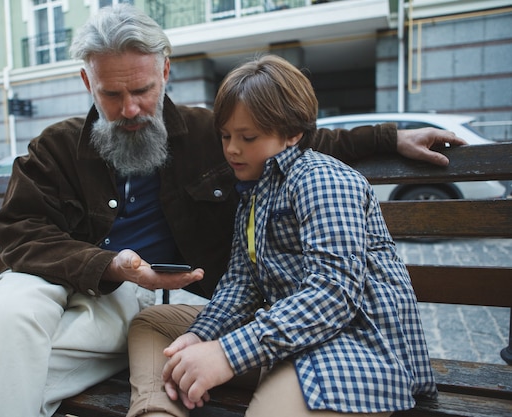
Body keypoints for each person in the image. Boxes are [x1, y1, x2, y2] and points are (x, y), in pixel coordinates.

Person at [0, 5, 461, 417]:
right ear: (88, 82)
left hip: (142, 303)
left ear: (166, 72)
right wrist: (109, 264)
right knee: (10, 313)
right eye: (112, 95)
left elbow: (295, 142)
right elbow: (19, 233)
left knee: (26, 351)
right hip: (67, 281)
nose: (131, 108)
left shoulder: (212, 133)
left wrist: (390, 135)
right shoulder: (56, 146)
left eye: (142, 90)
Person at [127, 55, 437, 417]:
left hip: (354, 347)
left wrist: (227, 353)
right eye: (225, 135)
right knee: (154, 323)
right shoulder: (255, 191)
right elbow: (242, 284)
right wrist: (201, 337)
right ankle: (158, 411)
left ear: (293, 133)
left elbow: (333, 293)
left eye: (248, 137)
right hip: (287, 335)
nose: (231, 149)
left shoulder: (321, 180)